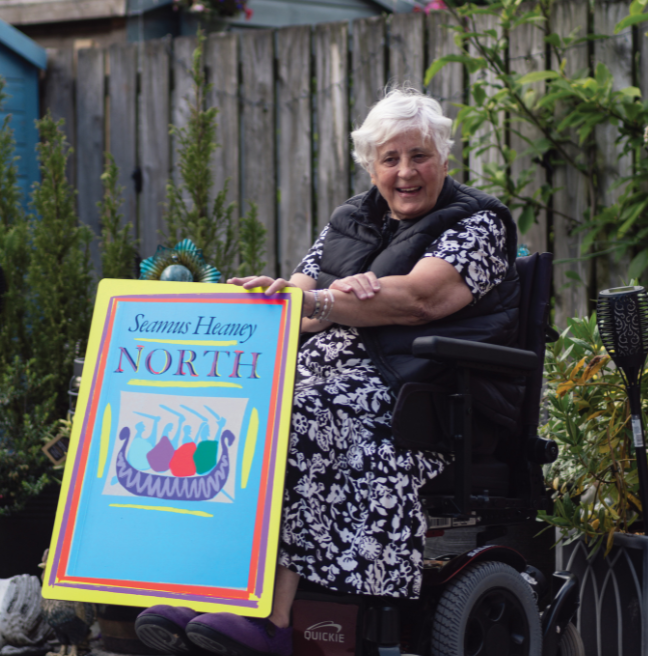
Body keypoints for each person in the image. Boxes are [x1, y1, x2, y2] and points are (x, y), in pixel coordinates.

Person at [134, 88, 522, 656]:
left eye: (420, 156)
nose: (406, 172)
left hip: (421, 393)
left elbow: (421, 299)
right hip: (334, 379)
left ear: (444, 157)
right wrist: (279, 294)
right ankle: (211, 587)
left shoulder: (481, 222)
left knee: (301, 413)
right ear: (371, 165)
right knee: (229, 414)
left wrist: (329, 304)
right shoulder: (351, 220)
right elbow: (302, 289)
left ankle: (272, 618)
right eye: (390, 159)